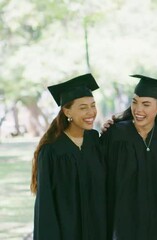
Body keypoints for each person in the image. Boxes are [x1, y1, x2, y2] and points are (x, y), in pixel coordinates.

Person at [31, 73, 105, 239]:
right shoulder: (51, 151)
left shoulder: (96, 142)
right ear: (66, 111)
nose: (91, 112)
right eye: (83, 107)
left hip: (98, 231)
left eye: (93, 105)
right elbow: (46, 205)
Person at [101, 75, 157, 239]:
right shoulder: (116, 135)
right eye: (135, 102)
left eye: (146, 104)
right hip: (122, 225)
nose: (138, 109)